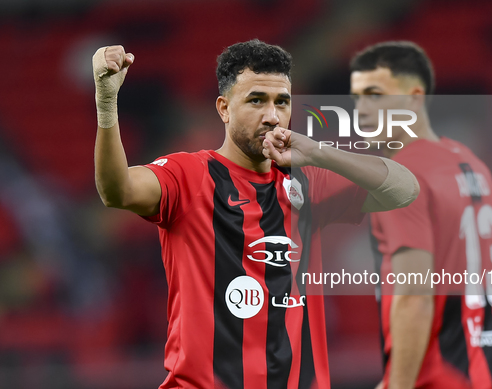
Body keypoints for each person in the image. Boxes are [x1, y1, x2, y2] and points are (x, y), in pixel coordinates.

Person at [92, 39, 419, 389]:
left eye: (282, 102)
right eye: (256, 100)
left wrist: (320, 153)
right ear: (224, 108)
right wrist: (107, 104)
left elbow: (404, 188)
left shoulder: (307, 182)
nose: (272, 116)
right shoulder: (188, 175)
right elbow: (117, 191)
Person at [349, 41, 492, 389]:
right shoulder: (471, 163)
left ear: (415, 98)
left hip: (445, 377)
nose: (362, 110)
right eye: (357, 97)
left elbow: (414, 297)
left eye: (375, 96)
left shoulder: (400, 176)